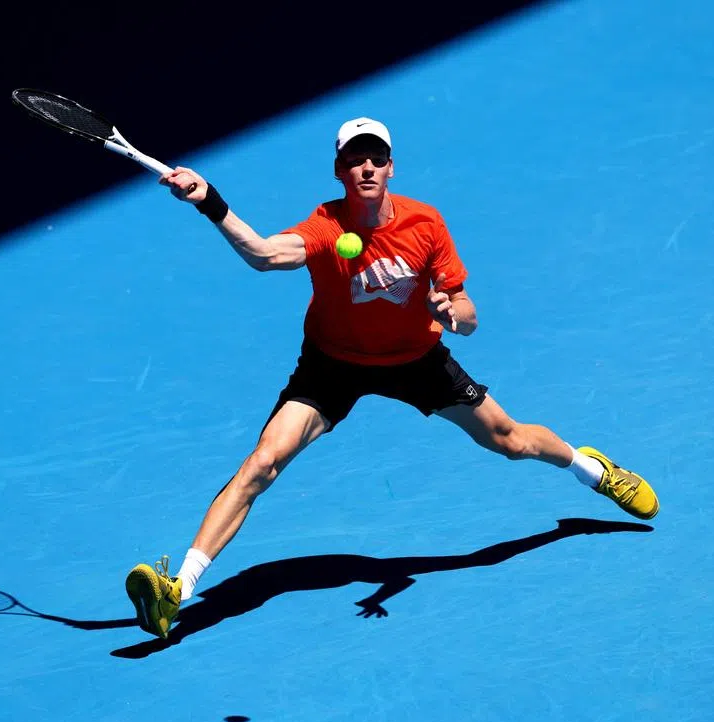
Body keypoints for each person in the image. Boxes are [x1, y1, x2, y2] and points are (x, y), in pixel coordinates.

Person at [124, 117, 659, 640]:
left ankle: (592, 469)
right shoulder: (326, 226)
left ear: (391, 168)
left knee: (511, 441)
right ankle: (178, 590)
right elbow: (265, 255)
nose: (367, 168)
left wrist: (451, 312)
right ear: (340, 171)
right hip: (333, 365)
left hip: (415, 360)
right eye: (355, 160)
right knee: (263, 463)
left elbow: (469, 316)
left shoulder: (425, 224)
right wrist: (210, 201)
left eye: (376, 158)